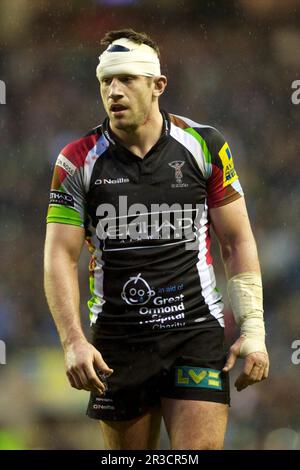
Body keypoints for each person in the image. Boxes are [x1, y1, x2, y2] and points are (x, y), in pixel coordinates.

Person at [44, 28, 269, 450]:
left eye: (127, 78)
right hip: (117, 342)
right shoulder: (76, 160)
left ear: (157, 85)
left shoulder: (204, 145)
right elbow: (59, 255)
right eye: (106, 81)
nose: (114, 90)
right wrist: (73, 340)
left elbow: (237, 241)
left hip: (194, 331)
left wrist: (253, 329)